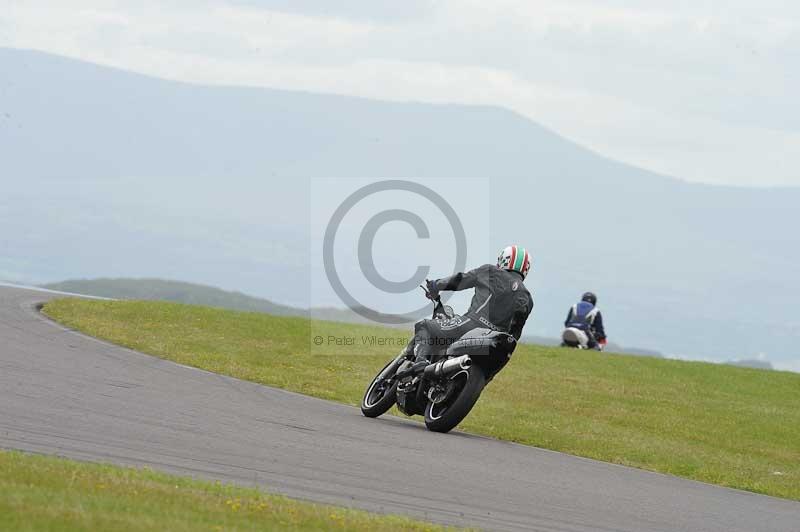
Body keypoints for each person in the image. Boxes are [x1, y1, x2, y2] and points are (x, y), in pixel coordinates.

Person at [405, 245, 534, 364]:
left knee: (425, 326)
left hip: (471, 325)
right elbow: (515, 333)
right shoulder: (527, 298)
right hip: (497, 345)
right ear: (525, 270)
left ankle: (420, 363)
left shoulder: (490, 271)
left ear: (504, 260)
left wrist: (435, 285)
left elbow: (460, 280)